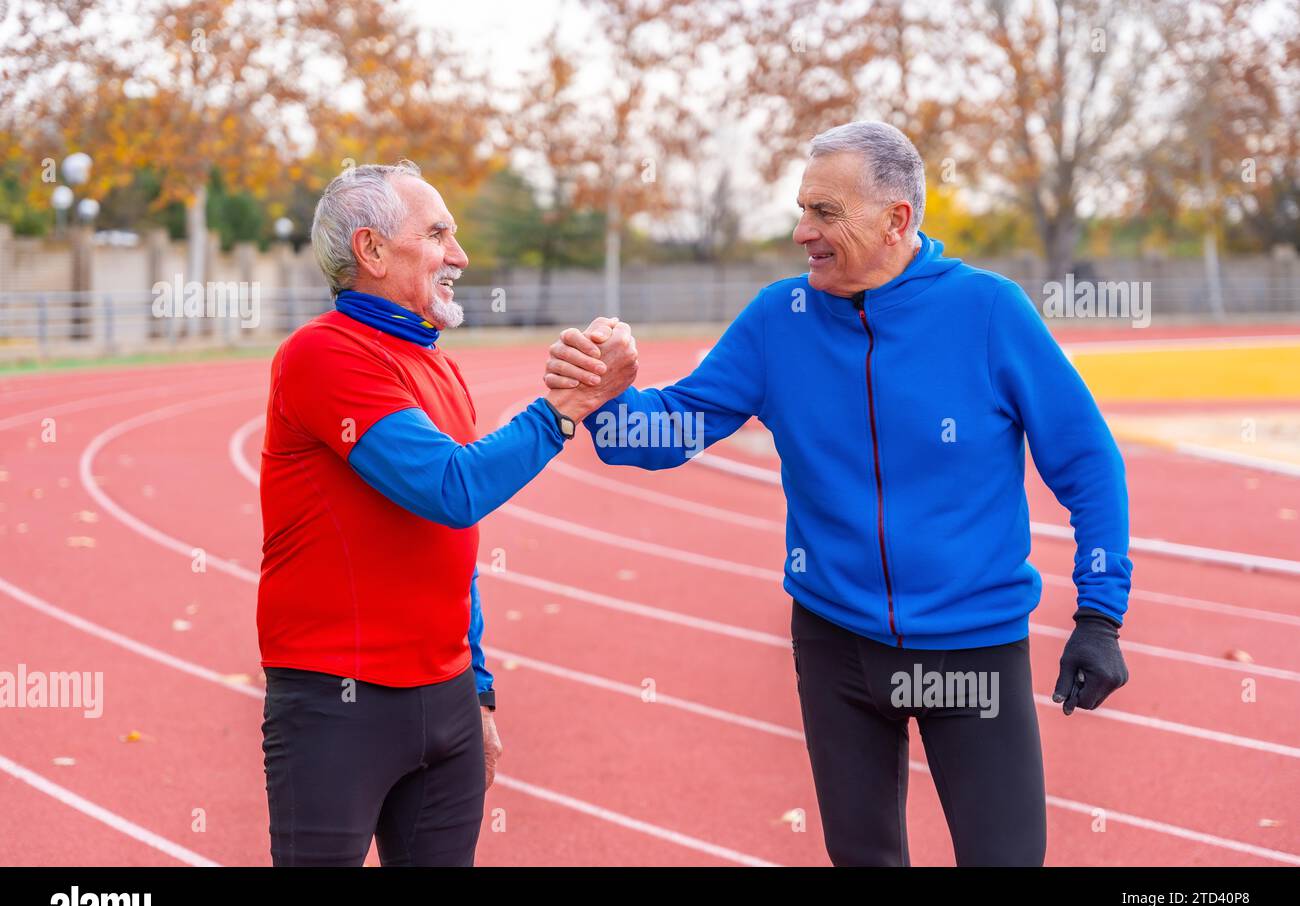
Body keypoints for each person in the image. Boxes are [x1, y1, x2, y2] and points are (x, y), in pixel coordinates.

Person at [545, 122, 1131, 866]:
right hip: (836, 645)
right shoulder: (777, 319)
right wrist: (606, 400)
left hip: (972, 649)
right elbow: (674, 428)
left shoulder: (989, 312)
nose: (802, 232)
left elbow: (1088, 462)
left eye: (825, 213)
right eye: (802, 210)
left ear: (897, 221)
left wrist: (1100, 616)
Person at [256, 160, 636, 866]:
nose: (459, 256)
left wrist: (479, 688)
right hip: (341, 704)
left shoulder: (434, 362)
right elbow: (450, 488)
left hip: (448, 701)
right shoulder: (321, 355)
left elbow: (453, 540)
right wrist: (563, 410)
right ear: (371, 250)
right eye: (438, 235)